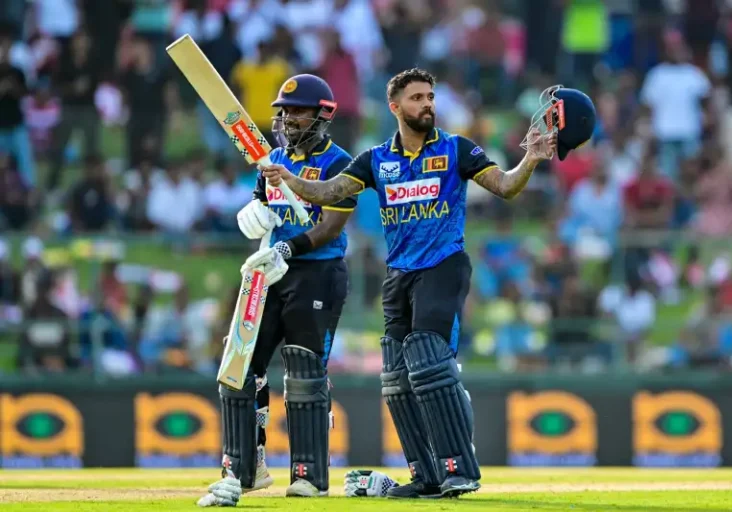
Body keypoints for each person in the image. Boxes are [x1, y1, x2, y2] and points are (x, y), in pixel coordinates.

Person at [261, 68, 596, 499]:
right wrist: (290, 180)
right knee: (396, 377)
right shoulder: (375, 159)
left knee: (426, 357)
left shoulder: (457, 149)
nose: (427, 105)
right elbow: (329, 192)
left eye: (430, 97)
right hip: (399, 274)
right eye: (417, 98)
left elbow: (505, 186)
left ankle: (459, 468)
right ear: (395, 106)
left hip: (443, 266)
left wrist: (530, 158)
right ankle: (426, 475)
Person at [198, 74, 357, 506]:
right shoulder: (270, 159)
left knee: (304, 369)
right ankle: (243, 470)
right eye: (284, 111)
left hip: (317, 272)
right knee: (239, 361)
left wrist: (290, 246)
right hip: (269, 272)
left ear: (322, 115)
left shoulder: (339, 162)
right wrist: (256, 215)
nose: (288, 118)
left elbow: (331, 226)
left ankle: (309, 475)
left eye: (298, 111)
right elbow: (264, 206)